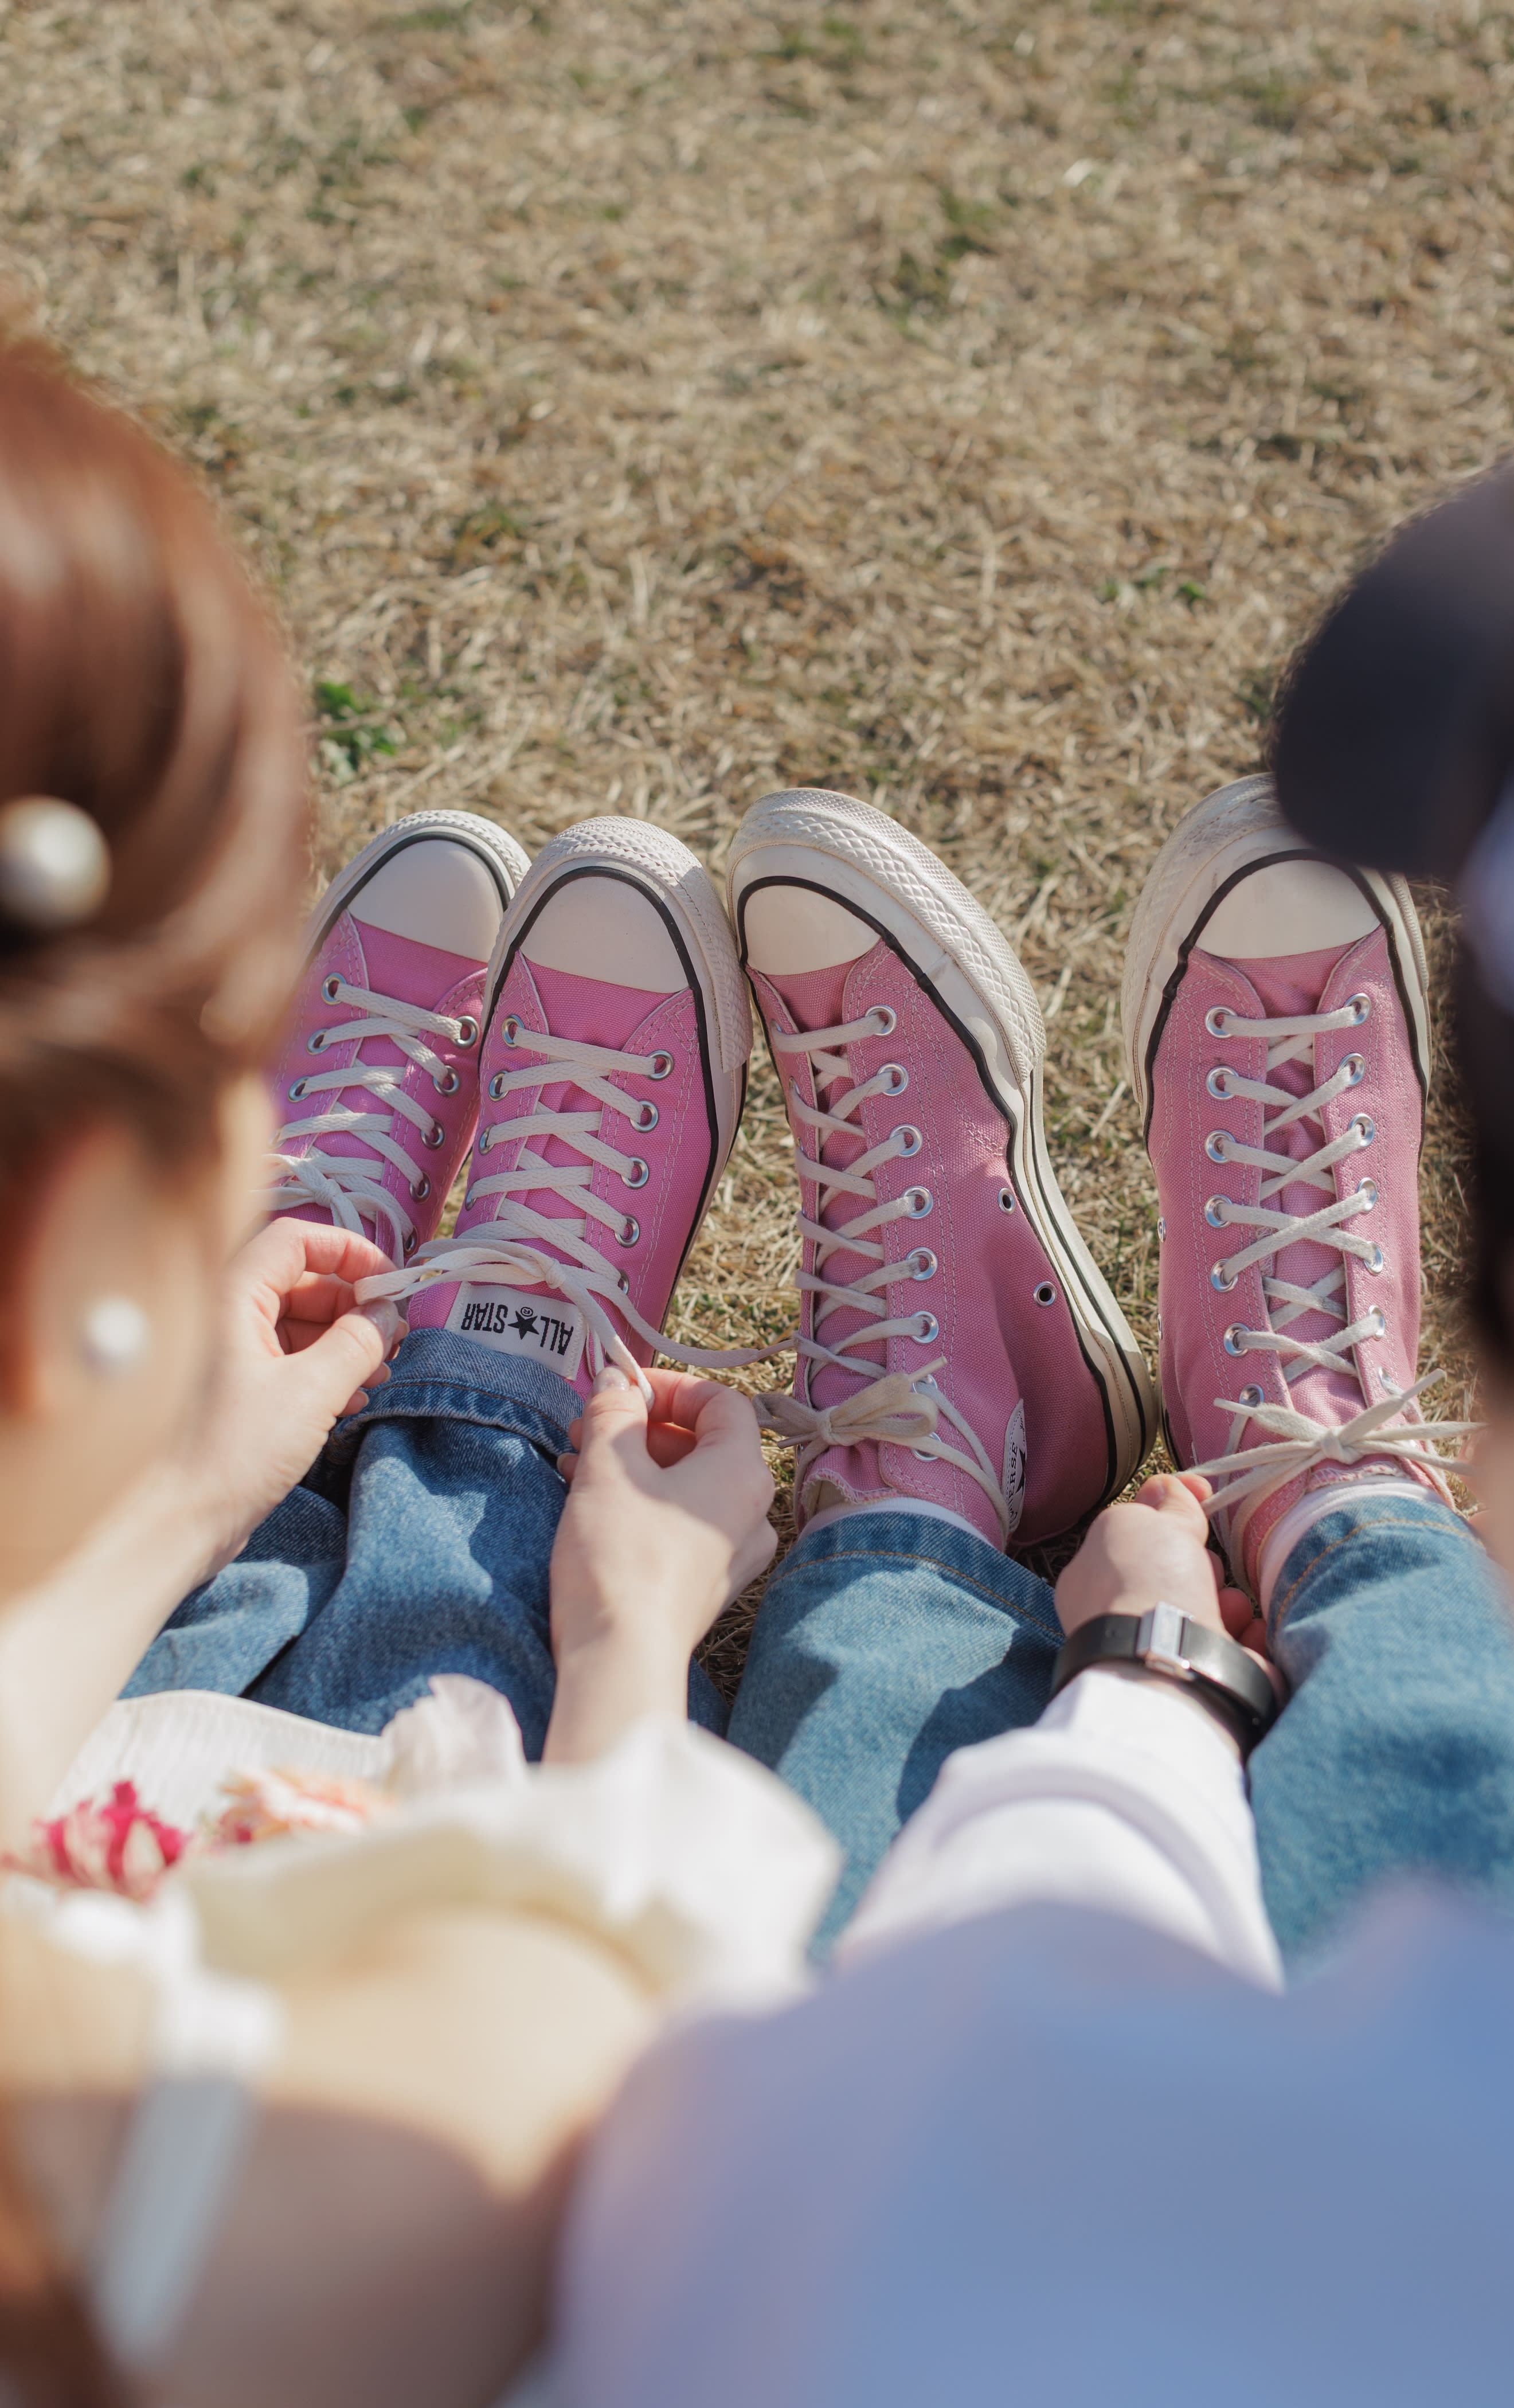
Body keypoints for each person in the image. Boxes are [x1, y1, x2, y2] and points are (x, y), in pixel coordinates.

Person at [540, 460, 1514, 2408]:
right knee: (1486, 1809)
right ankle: (1319, 1474)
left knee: (845, 1879)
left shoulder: (817, 2245)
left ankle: (931, 1488)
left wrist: (1143, 1672)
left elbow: (989, 2038)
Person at [0, 334, 834, 2408]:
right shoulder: (231, 2196)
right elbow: (605, 1985)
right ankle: (497, 1435)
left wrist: (176, 1492)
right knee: (428, 1710)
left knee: (213, 1634)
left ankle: (373, 1458)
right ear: (79, 1220)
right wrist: (634, 1635)